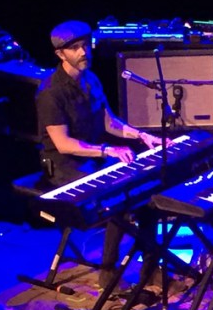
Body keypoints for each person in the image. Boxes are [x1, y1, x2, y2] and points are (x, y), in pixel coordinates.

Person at [36, 20, 166, 290]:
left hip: (93, 158)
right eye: (75, 48)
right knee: (118, 196)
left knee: (148, 195)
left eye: (86, 45)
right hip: (64, 166)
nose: (84, 52)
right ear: (60, 54)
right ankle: (107, 271)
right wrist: (108, 150)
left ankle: (151, 271)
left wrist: (142, 136)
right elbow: (63, 144)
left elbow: (109, 122)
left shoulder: (91, 79)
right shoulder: (50, 92)